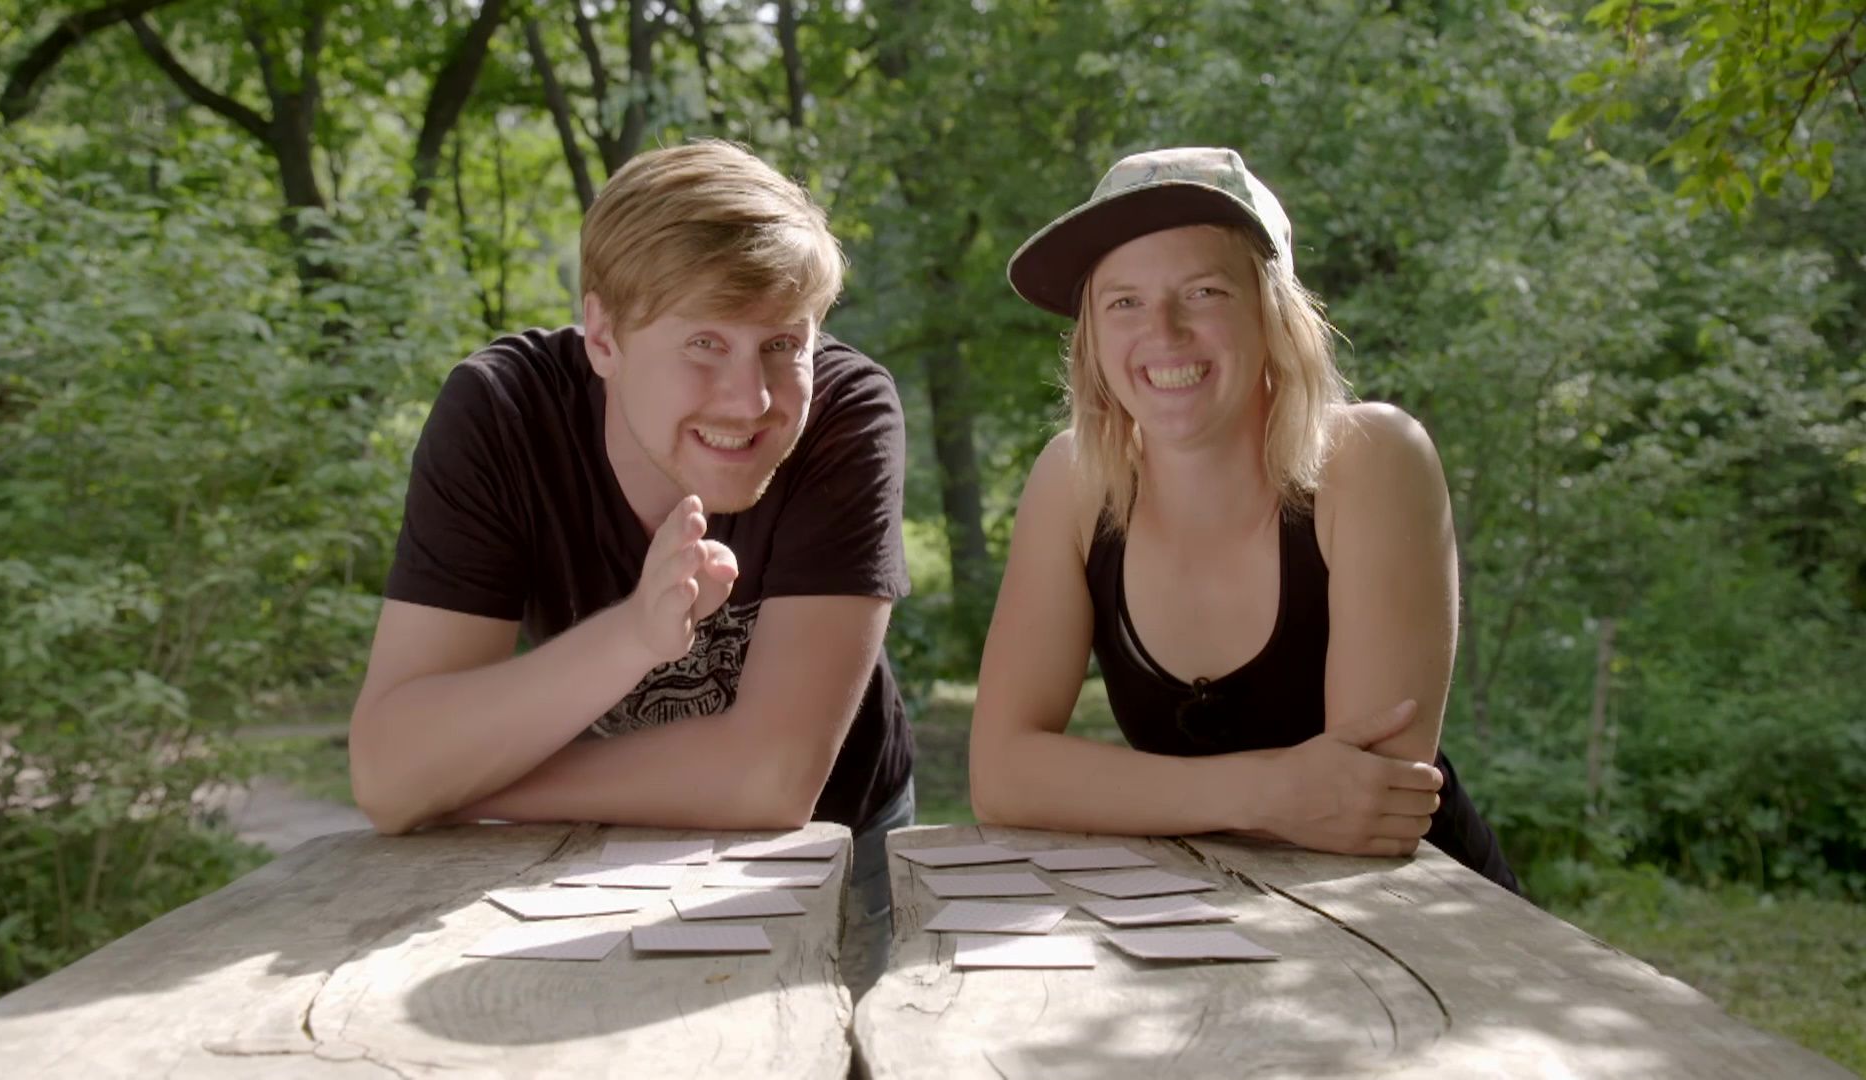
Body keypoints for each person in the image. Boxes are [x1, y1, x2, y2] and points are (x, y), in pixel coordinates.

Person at [347, 141, 918, 990]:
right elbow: (391, 768)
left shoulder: (846, 413)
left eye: (781, 344)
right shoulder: (504, 415)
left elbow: (772, 780)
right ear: (604, 336)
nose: (751, 400)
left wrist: (460, 785)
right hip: (581, 853)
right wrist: (633, 639)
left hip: (838, 843)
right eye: (704, 343)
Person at [969, 146, 1517, 891]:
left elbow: (1364, 803)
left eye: (1203, 292)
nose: (1164, 331)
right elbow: (1002, 776)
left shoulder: (1373, 457)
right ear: (1091, 338)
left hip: (1411, 917)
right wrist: (1267, 792)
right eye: (1124, 302)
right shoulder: (1075, 482)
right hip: (1199, 913)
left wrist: (1112, 789)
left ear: (1275, 317)